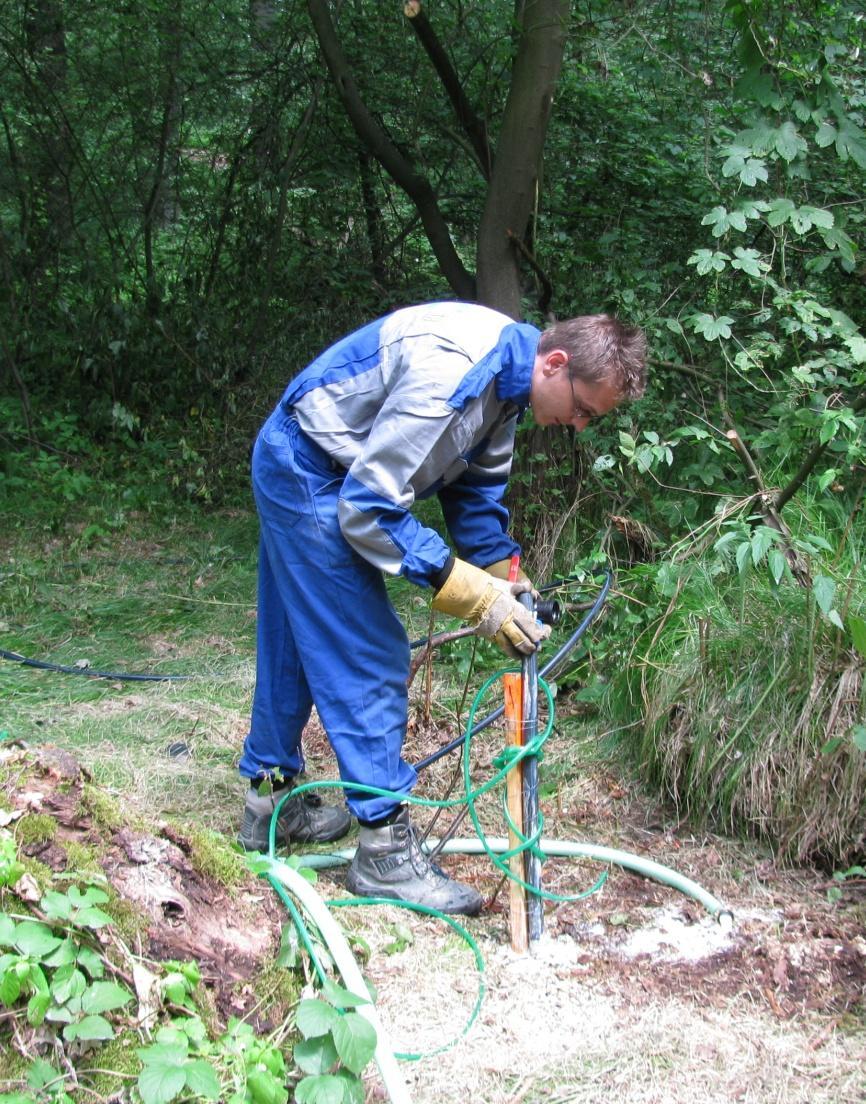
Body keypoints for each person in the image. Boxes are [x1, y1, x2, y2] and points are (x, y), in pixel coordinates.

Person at [237, 301, 646, 915]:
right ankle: (383, 853)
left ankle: (269, 805)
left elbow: (475, 495)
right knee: (368, 650)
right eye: (583, 410)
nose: (581, 426)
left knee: (297, 639)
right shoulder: (454, 372)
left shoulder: (507, 392)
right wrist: (475, 597)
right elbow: (368, 510)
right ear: (555, 363)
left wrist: (509, 580)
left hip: (322, 463)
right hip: (308, 467)